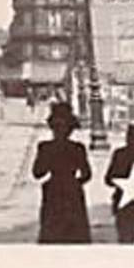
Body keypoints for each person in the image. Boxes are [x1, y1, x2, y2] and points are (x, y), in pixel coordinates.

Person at [32, 100, 92, 244]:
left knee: (52, 232)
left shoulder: (45, 148)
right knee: (75, 234)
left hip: (53, 190)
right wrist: (74, 182)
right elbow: (87, 174)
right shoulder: (78, 148)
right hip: (73, 191)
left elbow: (37, 172)